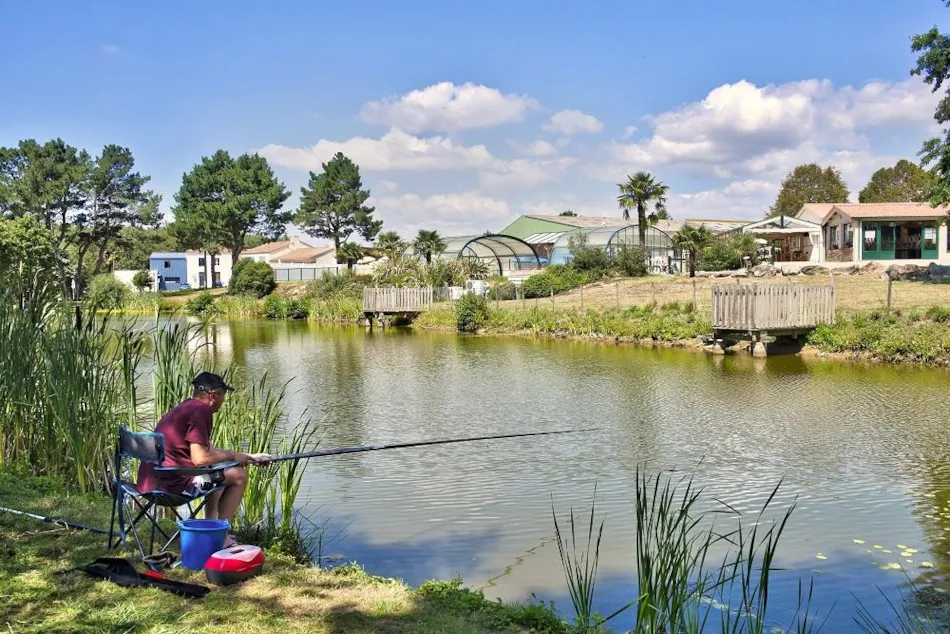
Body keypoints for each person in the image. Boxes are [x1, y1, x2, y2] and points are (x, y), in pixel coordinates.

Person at [136, 371, 270, 547]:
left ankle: (212, 526)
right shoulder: (201, 411)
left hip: (150, 483)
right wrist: (233, 457)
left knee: (219, 473)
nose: (224, 401)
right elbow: (200, 459)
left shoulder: (186, 407)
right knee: (238, 476)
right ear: (213, 395)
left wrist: (247, 457)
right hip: (171, 487)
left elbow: (207, 453)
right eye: (223, 395)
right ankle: (221, 535)